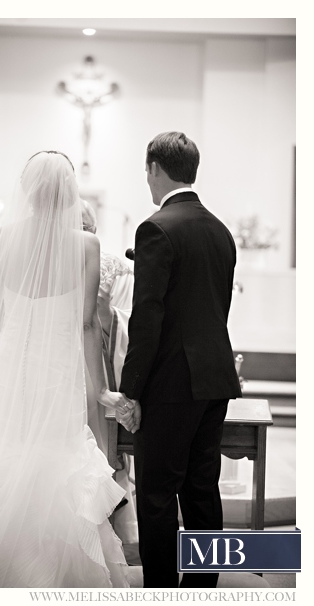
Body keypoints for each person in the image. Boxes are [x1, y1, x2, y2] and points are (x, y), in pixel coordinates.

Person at [0, 151, 136, 588]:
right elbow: (90, 323)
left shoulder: (3, 237)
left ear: (27, 190)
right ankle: (47, 572)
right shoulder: (86, 244)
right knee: (54, 461)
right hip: (58, 370)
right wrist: (101, 390)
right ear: (69, 192)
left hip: (10, 365)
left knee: (2, 449)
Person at [116, 132, 242, 588]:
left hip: (171, 383)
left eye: (145, 171)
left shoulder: (156, 227)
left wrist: (130, 389)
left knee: (156, 494)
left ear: (154, 169)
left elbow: (147, 319)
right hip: (215, 378)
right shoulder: (220, 230)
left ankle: (164, 591)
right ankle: (202, 589)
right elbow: (213, 309)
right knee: (202, 488)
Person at [81, 200, 138, 546]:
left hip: (100, 374)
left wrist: (106, 313)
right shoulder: (47, 265)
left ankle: (115, 541)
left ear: (96, 230)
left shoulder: (114, 269)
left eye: (86, 228)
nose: (80, 233)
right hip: (61, 375)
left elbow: (132, 322)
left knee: (103, 459)